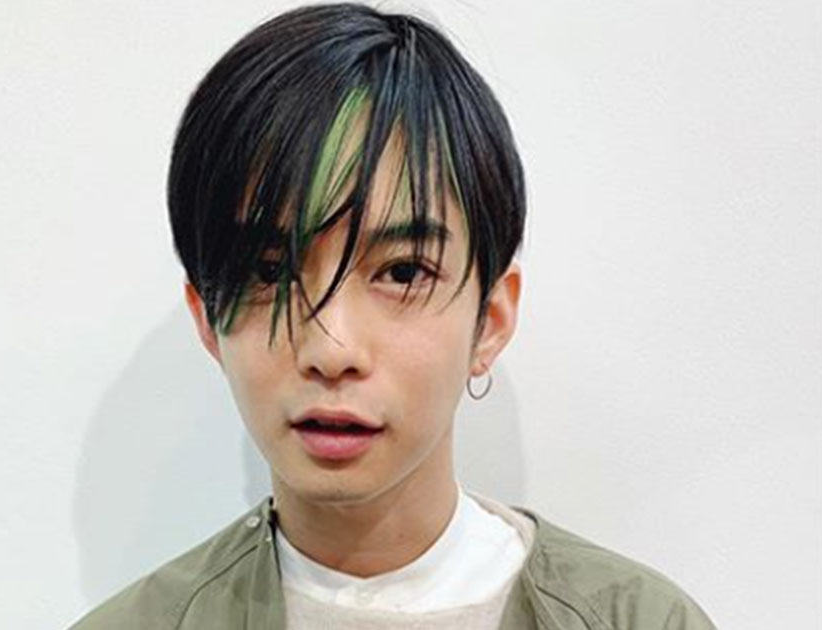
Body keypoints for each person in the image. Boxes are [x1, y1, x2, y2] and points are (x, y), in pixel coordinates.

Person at [69, 3, 717, 629]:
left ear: (490, 320)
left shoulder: (639, 620)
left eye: (403, 272)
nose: (332, 348)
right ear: (208, 318)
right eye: (269, 272)